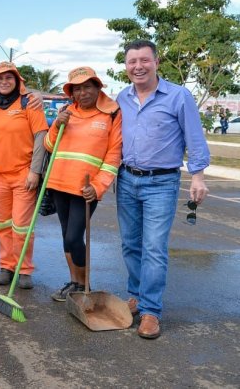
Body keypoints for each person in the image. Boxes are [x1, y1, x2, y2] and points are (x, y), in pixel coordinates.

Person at [116, 40, 209, 339]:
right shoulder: (122, 97)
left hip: (162, 182)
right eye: (132, 61)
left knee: (154, 248)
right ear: (126, 66)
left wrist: (198, 176)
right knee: (131, 244)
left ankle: (151, 311)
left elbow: (194, 137)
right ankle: (136, 295)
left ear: (157, 62)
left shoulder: (179, 96)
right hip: (126, 179)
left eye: (144, 60)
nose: (138, 66)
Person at [44, 67, 122, 301]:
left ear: (98, 87)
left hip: (85, 189)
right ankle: (74, 282)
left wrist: (98, 186)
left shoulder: (111, 114)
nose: (82, 93)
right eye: (77, 89)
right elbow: (49, 145)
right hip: (59, 182)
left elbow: (113, 155)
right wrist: (58, 124)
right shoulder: (67, 112)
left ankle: (85, 284)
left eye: (87, 87)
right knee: (66, 235)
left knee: (73, 237)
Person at [0, 61, 48, 289]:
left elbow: (41, 136)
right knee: (2, 225)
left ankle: (24, 269)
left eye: (8, 78)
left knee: (21, 226)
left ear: (17, 81)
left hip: (23, 174)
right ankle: (7, 266)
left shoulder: (29, 103)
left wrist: (35, 170)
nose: (3, 82)